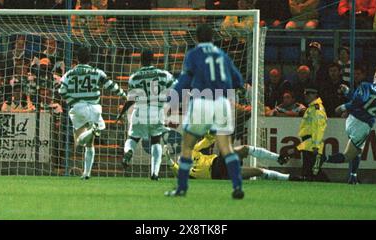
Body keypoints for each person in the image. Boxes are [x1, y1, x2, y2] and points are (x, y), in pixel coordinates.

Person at [164, 24, 246, 199]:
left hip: (203, 102)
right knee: (226, 148)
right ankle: (237, 186)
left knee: (187, 147)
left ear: (196, 38)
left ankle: (181, 188)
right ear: (212, 37)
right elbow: (238, 80)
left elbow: (185, 80)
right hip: (222, 103)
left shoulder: (194, 54)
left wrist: (171, 101)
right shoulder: (222, 55)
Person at [58, 46, 126, 180]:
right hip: (95, 108)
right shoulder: (97, 72)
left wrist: (72, 100)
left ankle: (92, 132)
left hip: (78, 108)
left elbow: (61, 91)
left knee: (79, 141)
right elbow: (111, 86)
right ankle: (86, 173)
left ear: (77, 59)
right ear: (90, 59)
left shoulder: (70, 73)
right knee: (90, 144)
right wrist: (124, 94)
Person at [320, 67, 376, 184]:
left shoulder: (367, 85)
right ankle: (323, 159)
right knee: (348, 155)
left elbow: (360, 99)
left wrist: (347, 93)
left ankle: (353, 176)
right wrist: (344, 107)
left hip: (352, 119)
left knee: (357, 151)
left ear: (375, 75)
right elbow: (362, 101)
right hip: (362, 125)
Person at [118, 49, 175, 180]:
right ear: (153, 59)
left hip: (140, 111)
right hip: (157, 111)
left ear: (140, 60)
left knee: (132, 139)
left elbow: (131, 99)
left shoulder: (134, 77)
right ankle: (154, 173)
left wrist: (121, 113)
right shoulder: (163, 74)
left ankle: (129, 152)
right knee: (156, 141)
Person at [170, 133, 292, 180]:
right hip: (218, 174)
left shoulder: (193, 151)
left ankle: (280, 162)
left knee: (245, 151)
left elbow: (209, 140)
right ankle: (287, 177)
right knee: (257, 171)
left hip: (219, 162)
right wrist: (168, 160)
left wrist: (209, 131)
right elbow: (176, 170)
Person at [294, 84, 328, 181]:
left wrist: (316, 146)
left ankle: (326, 183)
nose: (306, 96)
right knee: (310, 169)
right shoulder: (312, 108)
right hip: (309, 140)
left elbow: (319, 128)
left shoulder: (317, 109)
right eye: (306, 94)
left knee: (312, 170)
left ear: (316, 95)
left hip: (311, 141)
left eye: (310, 94)